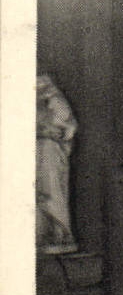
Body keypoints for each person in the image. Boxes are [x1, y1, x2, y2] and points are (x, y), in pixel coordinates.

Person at [37, 74, 78, 254]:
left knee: (51, 191)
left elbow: (65, 128)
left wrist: (44, 129)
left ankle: (58, 233)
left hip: (49, 154)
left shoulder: (54, 99)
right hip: (34, 153)